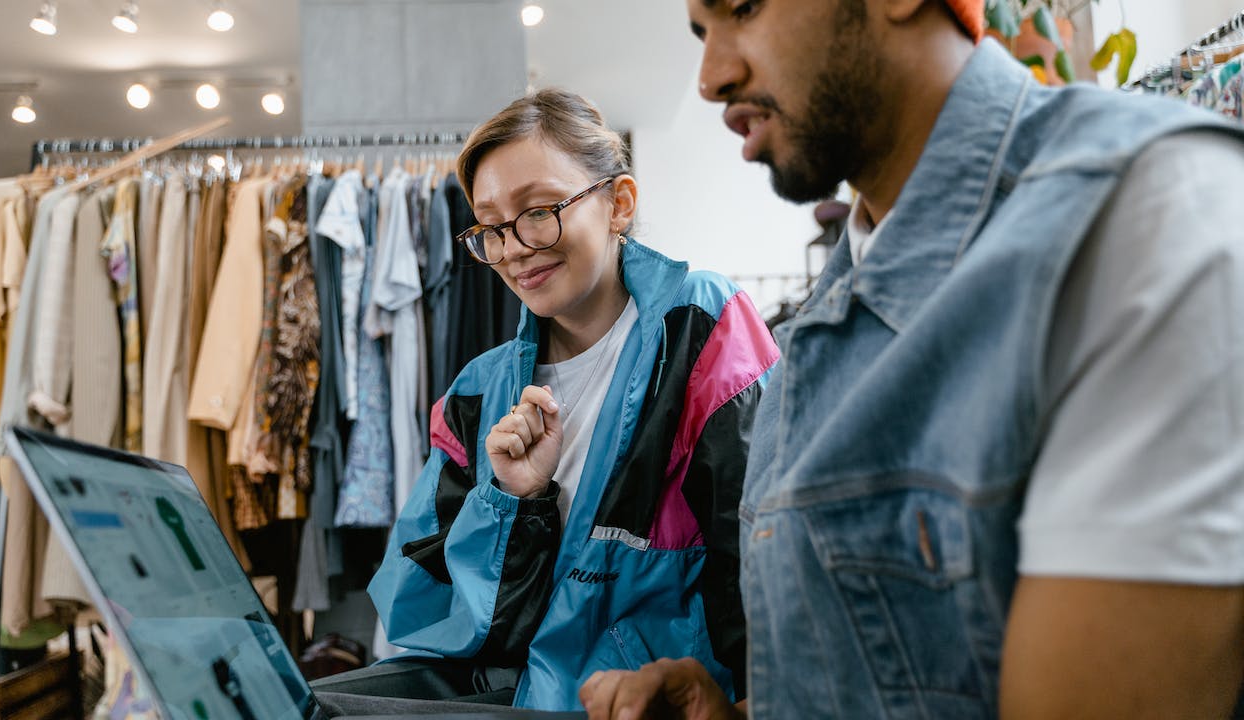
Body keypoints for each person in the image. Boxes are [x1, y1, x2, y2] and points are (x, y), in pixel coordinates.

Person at [579, 0, 1244, 718]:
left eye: (743, 8)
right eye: (701, 33)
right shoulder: (820, 327)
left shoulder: (1136, 217)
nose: (711, 77)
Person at [325, 88, 778, 714]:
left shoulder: (701, 327)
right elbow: (421, 614)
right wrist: (515, 503)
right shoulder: (476, 394)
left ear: (618, 203)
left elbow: (759, 560)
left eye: (538, 211)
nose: (513, 248)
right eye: (491, 227)